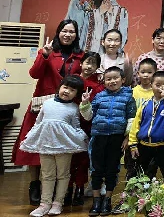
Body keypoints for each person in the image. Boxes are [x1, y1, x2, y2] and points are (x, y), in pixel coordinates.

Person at [12, 19, 84, 207]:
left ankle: (60, 189)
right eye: (64, 31)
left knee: (63, 147)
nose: (67, 34)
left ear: (76, 35)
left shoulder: (80, 55)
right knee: (36, 147)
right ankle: (35, 186)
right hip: (43, 105)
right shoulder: (48, 51)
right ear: (58, 32)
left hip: (67, 107)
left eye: (72, 31)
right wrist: (44, 55)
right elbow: (34, 74)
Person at [20, 75, 88, 217]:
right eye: (65, 87)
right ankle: (44, 204)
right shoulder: (47, 103)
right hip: (46, 143)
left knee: (63, 174)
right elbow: (38, 122)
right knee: (46, 174)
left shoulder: (74, 108)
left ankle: (58, 203)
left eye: (72, 90)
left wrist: (81, 138)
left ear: (76, 94)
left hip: (64, 145)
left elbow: (76, 126)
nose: (67, 91)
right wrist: (31, 137)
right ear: (59, 87)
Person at [80, 66, 136, 217]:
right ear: (104, 81)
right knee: (96, 169)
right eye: (108, 79)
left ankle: (107, 200)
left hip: (117, 138)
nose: (112, 81)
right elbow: (88, 116)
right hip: (98, 136)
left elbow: (131, 119)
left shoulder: (128, 96)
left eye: (115, 78)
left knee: (112, 169)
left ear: (123, 80)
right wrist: (85, 103)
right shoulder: (99, 96)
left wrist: (127, 138)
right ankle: (96, 200)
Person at [129, 71, 164, 182]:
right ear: (151, 85)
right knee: (142, 177)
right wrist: (133, 143)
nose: (161, 88)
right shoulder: (145, 104)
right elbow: (136, 124)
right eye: (157, 85)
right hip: (144, 146)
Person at [67, 52, 104, 206]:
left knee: (83, 159)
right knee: (69, 158)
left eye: (93, 64)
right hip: (70, 123)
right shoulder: (72, 80)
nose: (89, 66)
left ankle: (80, 189)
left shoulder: (99, 86)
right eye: (87, 62)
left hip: (88, 126)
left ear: (97, 67)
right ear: (81, 63)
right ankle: (67, 189)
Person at [126, 58, 157, 179]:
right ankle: (131, 190)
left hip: (150, 137)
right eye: (143, 72)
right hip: (133, 135)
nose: (146, 75)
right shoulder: (132, 92)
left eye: (149, 72)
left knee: (149, 169)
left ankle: (148, 190)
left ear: (155, 74)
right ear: (138, 73)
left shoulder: (157, 93)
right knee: (132, 168)